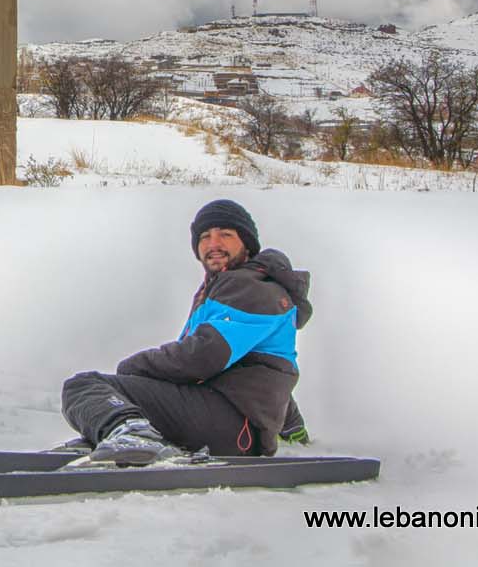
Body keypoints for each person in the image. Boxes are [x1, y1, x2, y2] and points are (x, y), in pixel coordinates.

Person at [61, 198, 311, 463]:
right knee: (122, 396)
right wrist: (293, 429)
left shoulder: (253, 289)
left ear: (246, 244)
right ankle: (114, 434)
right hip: (233, 425)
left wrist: (133, 367)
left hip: (229, 423)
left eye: (225, 234)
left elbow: (203, 356)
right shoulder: (227, 289)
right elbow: (270, 366)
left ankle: (134, 434)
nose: (213, 244)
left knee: (84, 385)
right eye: (205, 236)